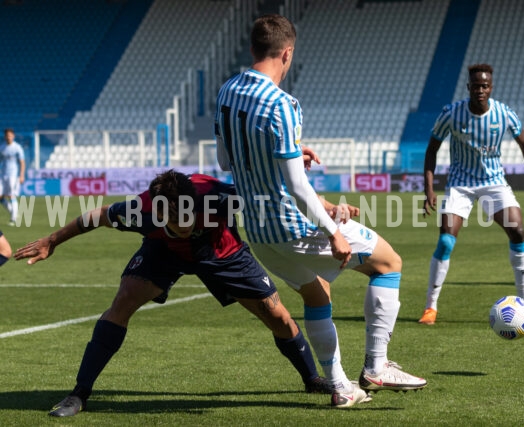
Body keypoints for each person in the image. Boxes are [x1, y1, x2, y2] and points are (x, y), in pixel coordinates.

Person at [214, 14, 426, 409]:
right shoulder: (283, 104)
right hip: (295, 226)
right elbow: (296, 188)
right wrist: (333, 230)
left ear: (253, 49)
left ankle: (341, 387)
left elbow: (227, 161)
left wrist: (292, 152)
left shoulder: (226, 92)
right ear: (287, 53)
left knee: (316, 297)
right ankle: (376, 366)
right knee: (389, 264)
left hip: (259, 233)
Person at [14, 170, 333, 417]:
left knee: (276, 314)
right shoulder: (141, 211)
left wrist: (325, 208)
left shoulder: (221, 197)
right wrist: (52, 240)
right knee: (123, 301)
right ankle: (79, 393)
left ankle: (312, 379)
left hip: (221, 251)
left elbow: (275, 195)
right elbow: (96, 217)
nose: (181, 223)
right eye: (171, 217)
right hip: (163, 251)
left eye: (186, 216)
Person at [418, 63, 524, 326]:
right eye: (475, 86)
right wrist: (429, 189)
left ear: (491, 87)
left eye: (485, 86)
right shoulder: (451, 113)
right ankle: (430, 307)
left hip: (494, 183)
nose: (480, 90)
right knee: (446, 242)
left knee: (518, 232)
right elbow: (432, 149)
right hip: (460, 184)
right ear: (468, 87)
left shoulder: (504, 114)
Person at [0, 128, 26, 226]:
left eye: (10, 135)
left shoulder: (17, 147)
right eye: (7, 135)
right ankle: (13, 212)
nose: (8, 137)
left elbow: (22, 162)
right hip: (3, 175)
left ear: (13, 136)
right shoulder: (2, 147)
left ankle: (13, 218)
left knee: (11, 195)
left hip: (13, 175)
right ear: (5, 136)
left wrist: (22, 175)